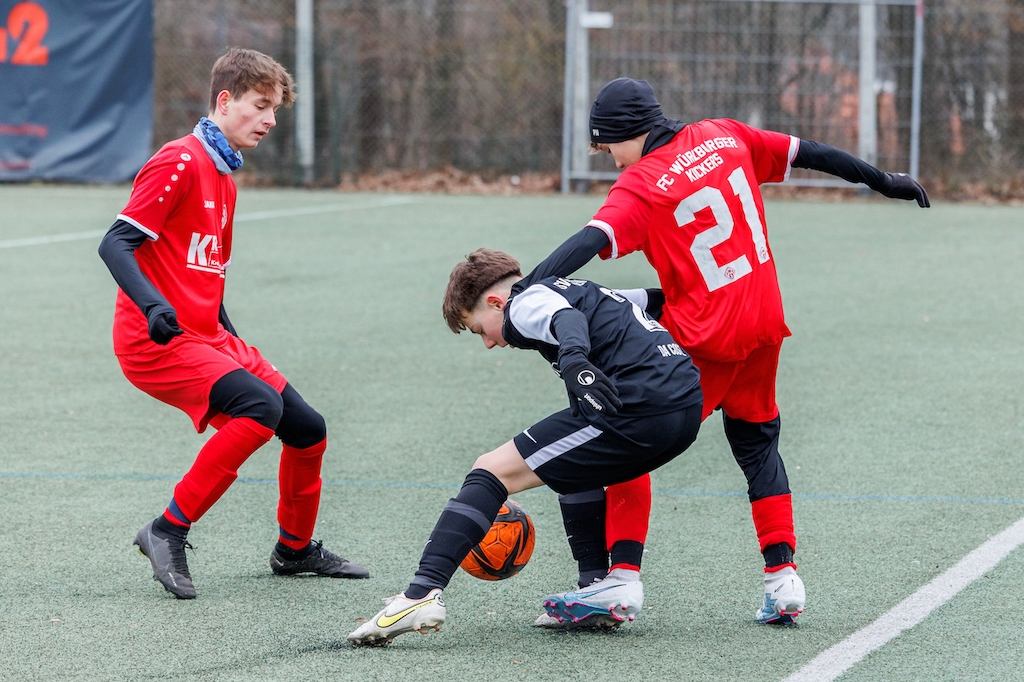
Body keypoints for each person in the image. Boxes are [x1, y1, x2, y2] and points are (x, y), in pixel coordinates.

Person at [535, 77, 931, 627]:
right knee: (758, 443)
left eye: (608, 147)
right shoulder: (724, 134)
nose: (609, 161)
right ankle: (783, 578)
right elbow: (810, 153)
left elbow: (589, 241)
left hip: (705, 337)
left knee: (627, 434)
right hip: (764, 322)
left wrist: (528, 288)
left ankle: (620, 581)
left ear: (627, 134)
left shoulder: (640, 184)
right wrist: (883, 181)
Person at [97, 48, 368, 600]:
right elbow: (115, 243)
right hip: (155, 341)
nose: (270, 120)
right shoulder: (180, 160)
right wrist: (154, 308)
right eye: (260, 106)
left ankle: (293, 551)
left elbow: (205, 271)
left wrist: (231, 338)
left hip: (207, 335)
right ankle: (166, 530)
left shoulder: (225, 174)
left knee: (307, 428)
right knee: (258, 409)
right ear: (225, 101)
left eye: (275, 110)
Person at [346, 248, 703, 645]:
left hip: (640, 409)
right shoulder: (581, 288)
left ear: (497, 303)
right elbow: (655, 299)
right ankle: (596, 588)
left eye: (480, 328)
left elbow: (565, 321)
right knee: (571, 468)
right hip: (685, 408)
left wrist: (575, 363)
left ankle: (419, 595)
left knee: (490, 470)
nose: (487, 343)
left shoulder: (523, 301)